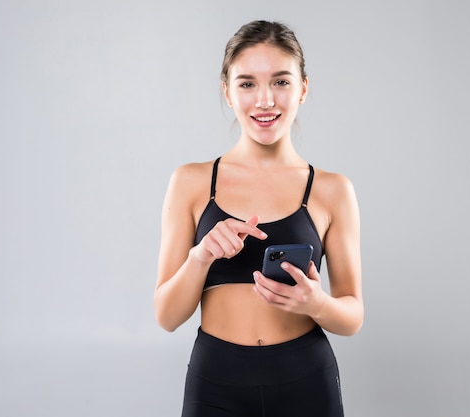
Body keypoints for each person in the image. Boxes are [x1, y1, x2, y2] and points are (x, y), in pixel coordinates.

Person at [154, 20, 363, 417]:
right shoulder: (191, 182)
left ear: (302, 88)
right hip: (216, 382)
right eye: (247, 83)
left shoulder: (333, 190)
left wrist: (316, 303)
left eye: (281, 82)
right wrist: (201, 257)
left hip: (306, 380)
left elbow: (352, 316)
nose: (265, 100)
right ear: (227, 92)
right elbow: (166, 316)